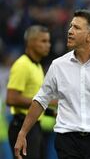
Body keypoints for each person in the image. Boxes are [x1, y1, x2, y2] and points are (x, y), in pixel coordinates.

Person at [14, 9, 90, 159]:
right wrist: (22, 133)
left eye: (77, 28)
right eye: (70, 26)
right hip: (68, 142)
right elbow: (41, 100)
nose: (70, 31)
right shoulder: (58, 65)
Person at [6, 25, 52, 159]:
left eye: (48, 41)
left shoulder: (36, 66)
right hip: (22, 127)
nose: (48, 45)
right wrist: (45, 101)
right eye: (43, 41)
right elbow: (11, 99)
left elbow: (33, 100)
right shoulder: (22, 65)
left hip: (35, 127)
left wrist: (51, 111)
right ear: (30, 42)